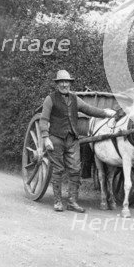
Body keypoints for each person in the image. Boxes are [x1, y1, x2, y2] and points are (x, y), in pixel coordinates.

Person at [40, 70, 116, 213]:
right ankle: (57, 202)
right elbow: (44, 120)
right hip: (55, 139)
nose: (64, 84)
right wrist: (45, 138)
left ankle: (72, 202)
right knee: (58, 170)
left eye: (67, 82)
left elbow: (89, 110)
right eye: (61, 82)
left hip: (72, 139)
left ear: (70, 83)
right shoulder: (50, 99)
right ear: (57, 84)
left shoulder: (75, 99)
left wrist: (106, 113)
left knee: (75, 170)